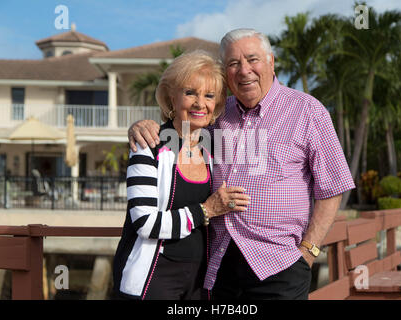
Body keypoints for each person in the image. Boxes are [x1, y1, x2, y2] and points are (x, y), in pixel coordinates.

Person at [128, 28, 355, 300]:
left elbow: (332, 188)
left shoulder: (308, 111)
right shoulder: (218, 116)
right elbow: (179, 133)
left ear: (271, 61)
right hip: (219, 265)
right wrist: (141, 127)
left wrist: (308, 251)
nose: (244, 70)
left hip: (280, 265)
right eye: (234, 63)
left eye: (252, 59)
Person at [112, 50, 250, 300]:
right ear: (171, 97)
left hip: (200, 282)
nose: (200, 103)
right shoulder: (149, 146)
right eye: (190, 93)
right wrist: (206, 210)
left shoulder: (213, 150)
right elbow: (146, 223)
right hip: (152, 280)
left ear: (217, 104)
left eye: (209, 96)